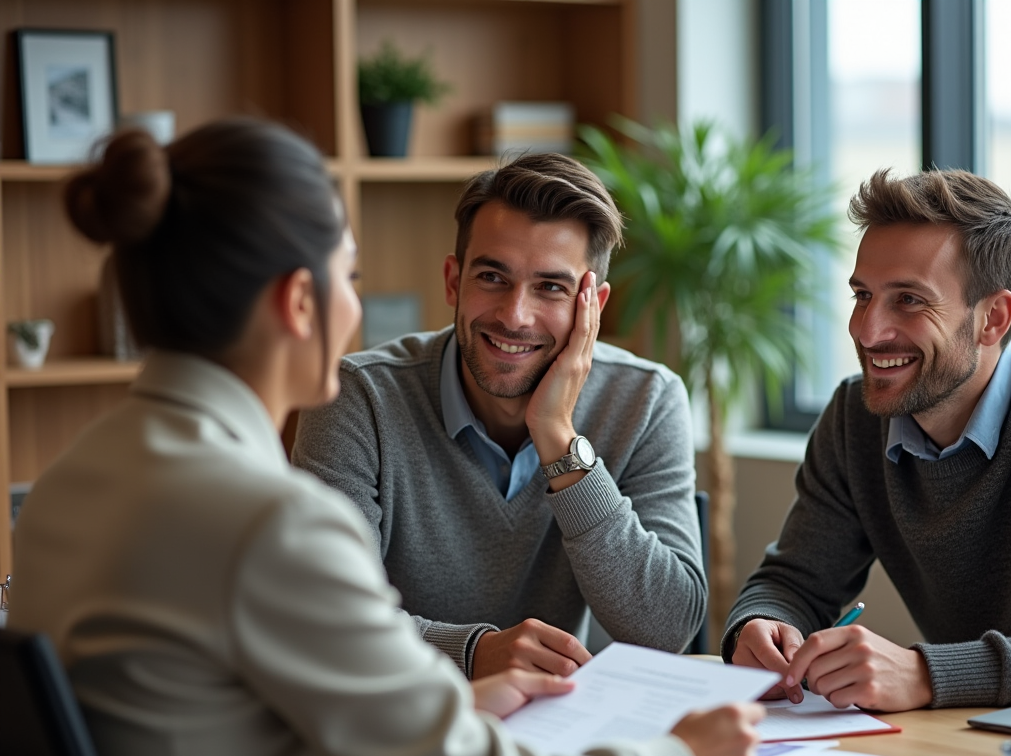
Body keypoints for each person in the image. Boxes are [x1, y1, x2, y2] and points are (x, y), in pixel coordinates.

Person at [8, 119, 762, 756]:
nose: (357, 307)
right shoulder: (269, 524)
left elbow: (235, 711)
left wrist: (455, 703)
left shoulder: (64, 486)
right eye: (352, 275)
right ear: (300, 303)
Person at [724, 168, 1011, 712]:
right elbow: (795, 581)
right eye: (862, 295)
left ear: (993, 318)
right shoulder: (854, 417)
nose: (867, 330)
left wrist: (926, 673)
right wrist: (765, 623)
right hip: (977, 729)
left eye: (908, 300)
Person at [291, 153, 705, 679]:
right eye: (492, 277)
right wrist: (473, 654)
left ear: (592, 307)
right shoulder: (358, 396)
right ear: (452, 281)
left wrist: (558, 437)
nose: (514, 316)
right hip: (394, 727)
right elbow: (323, 619)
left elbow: (667, 629)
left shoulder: (646, 400)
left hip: (557, 732)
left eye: (551, 287)